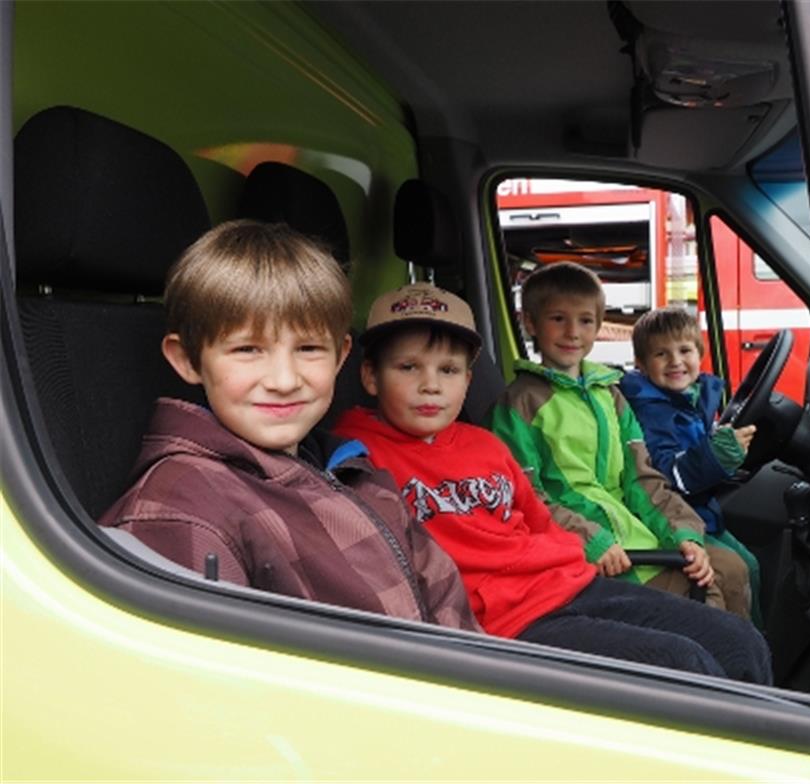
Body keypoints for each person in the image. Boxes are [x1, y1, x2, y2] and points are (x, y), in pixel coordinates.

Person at [333, 282, 771, 682]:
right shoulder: (359, 456)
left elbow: (538, 517)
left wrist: (580, 556)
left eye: (448, 371)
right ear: (370, 376)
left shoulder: (484, 445)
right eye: (409, 367)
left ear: (467, 380)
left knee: (740, 641)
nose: (430, 386)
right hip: (509, 621)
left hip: (570, 584)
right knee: (685, 664)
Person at [99, 220, 480, 632]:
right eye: (248, 349)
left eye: (309, 348)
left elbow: (449, 609)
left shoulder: (357, 475)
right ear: (188, 360)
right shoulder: (182, 512)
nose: (284, 380)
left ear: (340, 356)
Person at [487, 261, 751, 617]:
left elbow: (641, 478)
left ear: (598, 327)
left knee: (733, 568)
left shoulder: (609, 394)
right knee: (703, 598)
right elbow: (525, 497)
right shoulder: (519, 403)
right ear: (531, 323)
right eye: (557, 319)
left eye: (585, 321)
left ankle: (745, 670)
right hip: (588, 550)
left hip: (640, 535)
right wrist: (591, 540)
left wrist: (683, 533)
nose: (572, 332)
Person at [619, 305, 763, 626]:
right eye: (661, 354)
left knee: (749, 563)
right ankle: (748, 644)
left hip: (702, 509)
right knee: (741, 567)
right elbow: (667, 474)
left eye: (685, 350)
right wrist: (716, 456)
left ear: (700, 353)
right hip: (680, 515)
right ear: (641, 365)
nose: (675, 361)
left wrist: (719, 444)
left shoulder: (691, 398)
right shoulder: (651, 412)